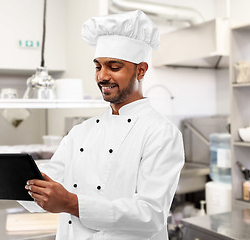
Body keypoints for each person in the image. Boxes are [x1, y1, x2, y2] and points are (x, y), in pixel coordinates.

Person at [21, 10, 185, 239]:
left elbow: (151, 214)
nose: (102, 77)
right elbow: (51, 178)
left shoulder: (161, 133)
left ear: (141, 70)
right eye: (98, 67)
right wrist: (21, 182)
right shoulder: (81, 132)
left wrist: (71, 203)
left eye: (114, 67)